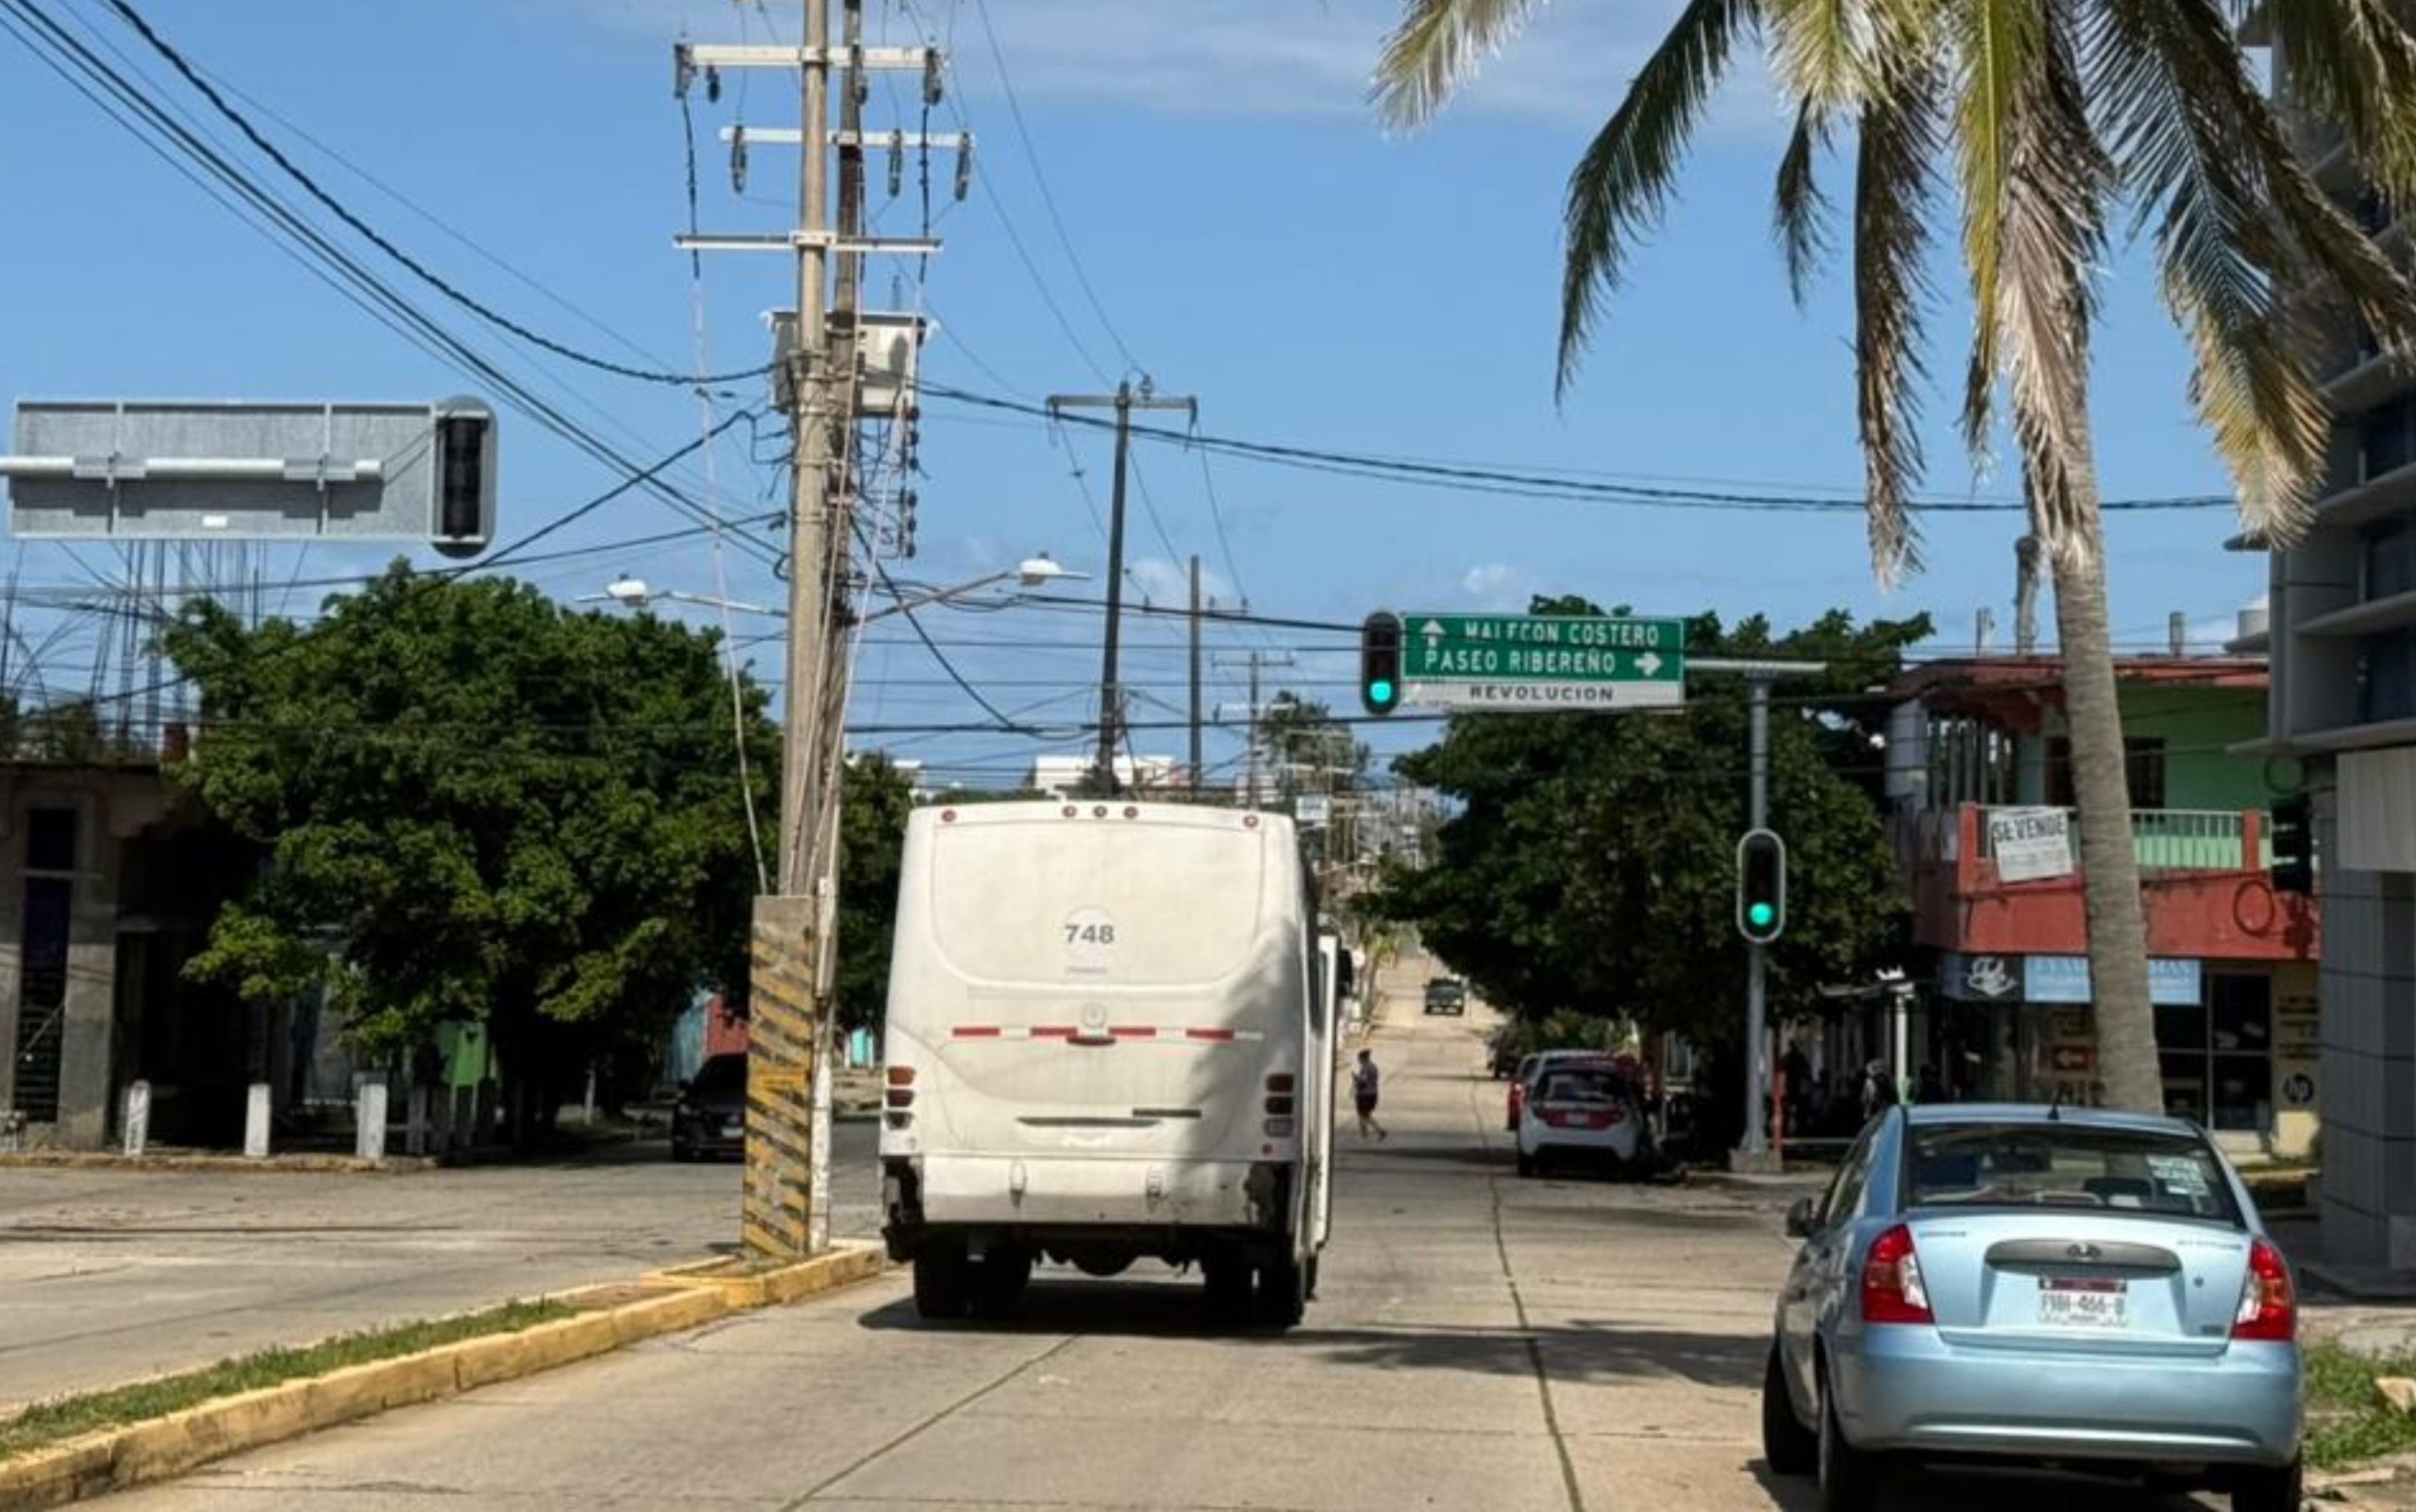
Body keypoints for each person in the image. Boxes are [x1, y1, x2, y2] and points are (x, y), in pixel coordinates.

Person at [1351, 1049, 1387, 1140]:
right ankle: (1365, 1134)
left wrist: (1355, 1078)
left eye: (1359, 1058)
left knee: (1363, 1115)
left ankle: (1378, 1131)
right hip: (1373, 1093)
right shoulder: (1373, 1066)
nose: (1358, 1060)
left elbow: (1363, 1081)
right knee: (1363, 1114)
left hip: (1365, 1095)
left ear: (1363, 1058)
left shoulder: (1366, 1068)